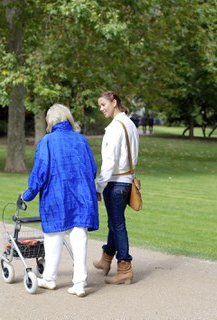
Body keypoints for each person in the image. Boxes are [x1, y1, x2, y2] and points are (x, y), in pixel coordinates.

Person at [20, 103, 99, 297]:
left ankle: (49, 278)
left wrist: (28, 194)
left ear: (50, 120)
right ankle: (79, 283)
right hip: (82, 195)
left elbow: (40, 173)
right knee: (79, 236)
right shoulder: (81, 140)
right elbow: (93, 169)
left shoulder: (47, 142)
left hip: (56, 195)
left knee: (53, 235)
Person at [93, 91, 139, 285]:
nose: (101, 109)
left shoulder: (114, 128)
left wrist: (99, 186)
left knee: (117, 224)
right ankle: (106, 258)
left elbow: (109, 162)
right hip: (128, 180)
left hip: (115, 182)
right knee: (115, 222)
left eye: (103, 104)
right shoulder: (130, 124)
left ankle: (124, 267)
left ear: (114, 102)